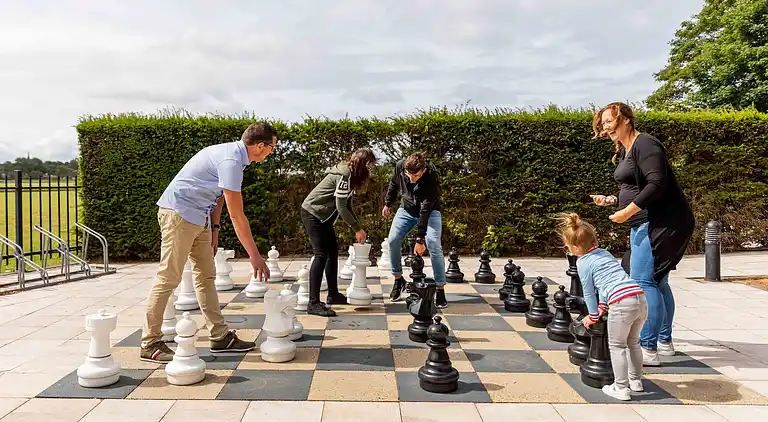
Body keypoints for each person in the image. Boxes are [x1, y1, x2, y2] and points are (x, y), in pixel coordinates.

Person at [139, 122, 276, 363]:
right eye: (272, 148)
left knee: (206, 276)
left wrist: (213, 230)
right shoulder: (231, 161)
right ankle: (150, 342)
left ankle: (220, 336)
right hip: (178, 214)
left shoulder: (235, 157)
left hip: (199, 216)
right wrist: (254, 255)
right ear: (260, 146)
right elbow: (237, 215)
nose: (271, 152)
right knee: (169, 278)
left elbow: (220, 196)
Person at [590, 102, 695, 366]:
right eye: (602, 123)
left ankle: (647, 349)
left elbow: (657, 184)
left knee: (643, 282)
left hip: (658, 223)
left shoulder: (645, 143)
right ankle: (664, 341)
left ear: (625, 119)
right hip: (652, 221)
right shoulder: (629, 150)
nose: (605, 127)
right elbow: (638, 187)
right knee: (658, 282)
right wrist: (614, 201)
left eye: (608, 121)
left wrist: (627, 212)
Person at [557, 212, 647, 401]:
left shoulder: (583, 262)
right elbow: (608, 283)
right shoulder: (605, 253)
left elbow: (589, 292)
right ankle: (636, 381)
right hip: (639, 297)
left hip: (621, 303)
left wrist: (593, 315)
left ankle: (621, 387)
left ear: (574, 247)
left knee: (616, 345)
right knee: (633, 343)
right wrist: (603, 307)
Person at [301, 148, 377, 317]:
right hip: (313, 213)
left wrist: (358, 227)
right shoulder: (344, 176)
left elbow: (347, 206)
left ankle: (333, 294)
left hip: (323, 216)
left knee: (332, 252)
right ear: (363, 163)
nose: (371, 169)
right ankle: (313, 303)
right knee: (321, 254)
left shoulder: (350, 177)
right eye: (370, 165)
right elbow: (340, 207)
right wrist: (357, 229)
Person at [383, 152, 447, 309]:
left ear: (423, 171)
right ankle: (398, 280)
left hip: (430, 211)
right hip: (406, 209)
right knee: (392, 241)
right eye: (409, 175)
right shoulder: (400, 166)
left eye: (416, 176)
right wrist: (388, 203)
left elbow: (425, 209)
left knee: (433, 244)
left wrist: (420, 239)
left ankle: (440, 289)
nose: (411, 179)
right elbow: (393, 183)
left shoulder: (431, 177)